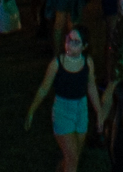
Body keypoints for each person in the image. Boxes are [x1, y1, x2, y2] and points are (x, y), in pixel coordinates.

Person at [21, 23, 106, 172]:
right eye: (68, 39)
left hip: (81, 110)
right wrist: (31, 111)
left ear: (84, 46)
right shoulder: (56, 64)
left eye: (76, 42)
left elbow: (91, 86)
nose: (70, 44)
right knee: (72, 158)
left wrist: (99, 112)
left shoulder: (88, 63)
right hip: (62, 110)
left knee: (73, 157)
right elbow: (43, 88)